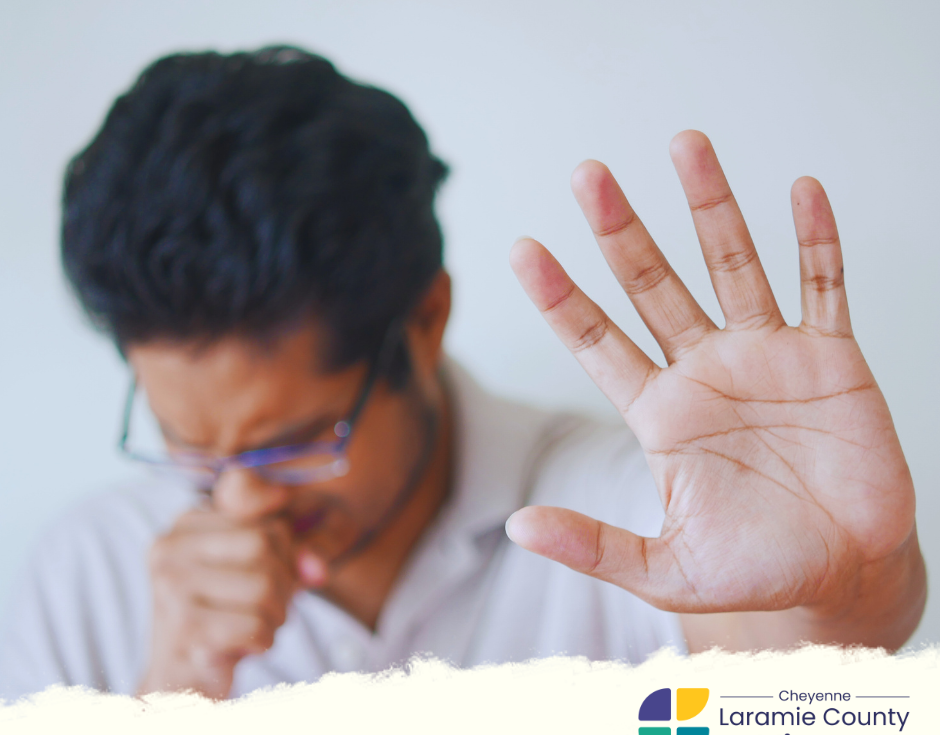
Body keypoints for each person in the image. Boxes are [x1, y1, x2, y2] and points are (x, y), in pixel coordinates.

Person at [0, 46, 925, 700]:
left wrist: (842, 591)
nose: (240, 502)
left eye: (295, 444)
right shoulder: (84, 575)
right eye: (188, 447)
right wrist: (171, 706)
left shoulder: (624, 503)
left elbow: (797, 674)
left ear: (427, 320)